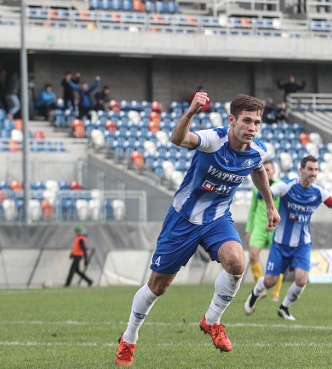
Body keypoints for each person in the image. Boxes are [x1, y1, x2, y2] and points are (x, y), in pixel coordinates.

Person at [114, 92, 280, 366]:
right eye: (247, 121)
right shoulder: (213, 140)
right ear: (232, 120)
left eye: (257, 122)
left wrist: (271, 205)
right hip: (183, 220)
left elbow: (258, 170)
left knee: (236, 262)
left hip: (217, 220)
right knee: (158, 286)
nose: (252, 127)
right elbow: (178, 139)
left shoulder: (257, 151)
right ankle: (129, 337)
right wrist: (191, 112)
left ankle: (212, 320)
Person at [244, 155, 332, 321]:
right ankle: (254, 293)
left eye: (316, 169)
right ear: (301, 169)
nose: (313, 173)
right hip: (280, 243)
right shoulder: (287, 186)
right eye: (310, 169)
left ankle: (284, 307)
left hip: (302, 244)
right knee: (270, 280)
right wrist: (263, 195)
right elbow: (267, 193)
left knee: (301, 280)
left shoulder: (319, 192)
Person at [245, 159, 283, 302]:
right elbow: (252, 210)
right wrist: (249, 230)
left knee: (278, 261)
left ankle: (276, 292)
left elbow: (283, 209)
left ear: (274, 171)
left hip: (276, 228)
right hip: (259, 228)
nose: (266, 172)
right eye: (264, 170)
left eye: (268, 170)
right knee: (253, 255)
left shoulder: (281, 186)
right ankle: (261, 289)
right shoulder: (257, 187)